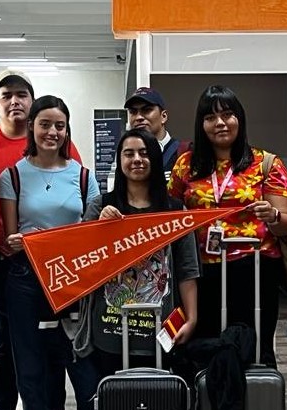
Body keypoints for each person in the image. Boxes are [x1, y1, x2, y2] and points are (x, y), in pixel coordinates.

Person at [0, 69, 84, 410]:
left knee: (60, 348)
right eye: (7, 95)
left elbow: (85, 212)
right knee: (5, 347)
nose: (15, 101)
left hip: (65, 272)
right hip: (8, 265)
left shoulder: (75, 167)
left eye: (22, 95)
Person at [0, 95, 101, 410]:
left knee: (84, 372)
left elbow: (91, 232)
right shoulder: (13, 175)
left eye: (59, 126)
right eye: (45, 124)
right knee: (31, 374)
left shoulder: (83, 176)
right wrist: (25, 243)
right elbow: (9, 242)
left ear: (67, 131)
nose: (52, 132)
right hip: (25, 281)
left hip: (74, 281)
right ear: (32, 128)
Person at [167, 85, 287, 367]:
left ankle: (255, 407)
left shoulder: (266, 163)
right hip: (200, 272)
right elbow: (170, 215)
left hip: (254, 270)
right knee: (204, 349)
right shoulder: (185, 165)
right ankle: (208, 408)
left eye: (228, 115)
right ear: (201, 124)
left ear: (240, 119)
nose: (220, 123)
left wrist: (272, 215)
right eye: (211, 117)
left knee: (253, 348)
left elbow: (286, 225)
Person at [81, 129, 199, 373]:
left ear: (155, 159)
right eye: (129, 153)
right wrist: (98, 229)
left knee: (158, 405)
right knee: (115, 404)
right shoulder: (100, 206)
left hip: (160, 329)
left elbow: (187, 270)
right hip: (110, 329)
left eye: (144, 153)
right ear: (119, 160)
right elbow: (82, 264)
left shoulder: (174, 210)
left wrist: (192, 318)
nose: (137, 159)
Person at [124, 87, 187, 174]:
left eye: (146, 110)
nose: (139, 117)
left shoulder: (183, 154)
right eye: (133, 112)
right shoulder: (127, 158)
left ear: (163, 116)